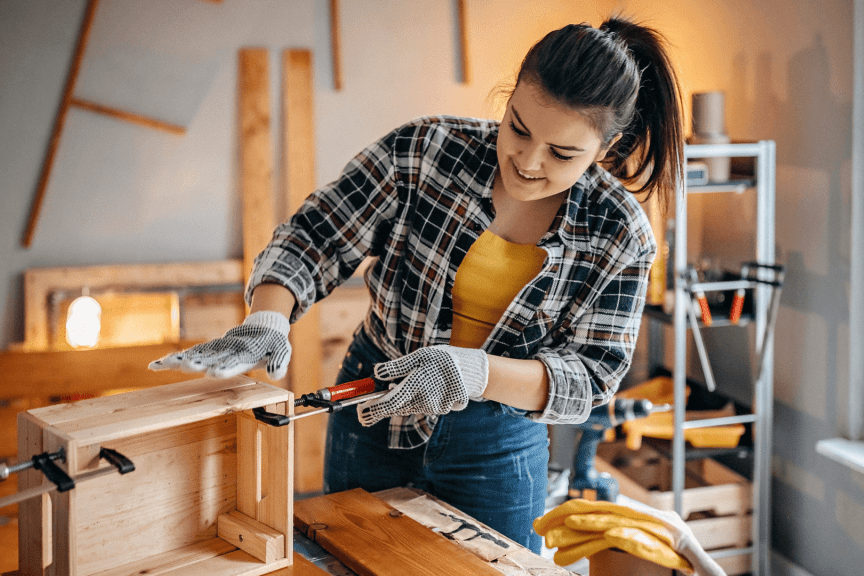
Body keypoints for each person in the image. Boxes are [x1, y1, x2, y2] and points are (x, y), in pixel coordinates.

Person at [150, 15, 683, 553]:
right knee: (357, 562)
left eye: (562, 153)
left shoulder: (620, 234)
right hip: (375, 404)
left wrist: (472, 371)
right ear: (509, 99)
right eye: (517, 127)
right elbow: (317, 235)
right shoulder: (426, 151)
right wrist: (268, 314)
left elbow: (590, 379)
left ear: (606, 148)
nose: (527, 159)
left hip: (497, 440)